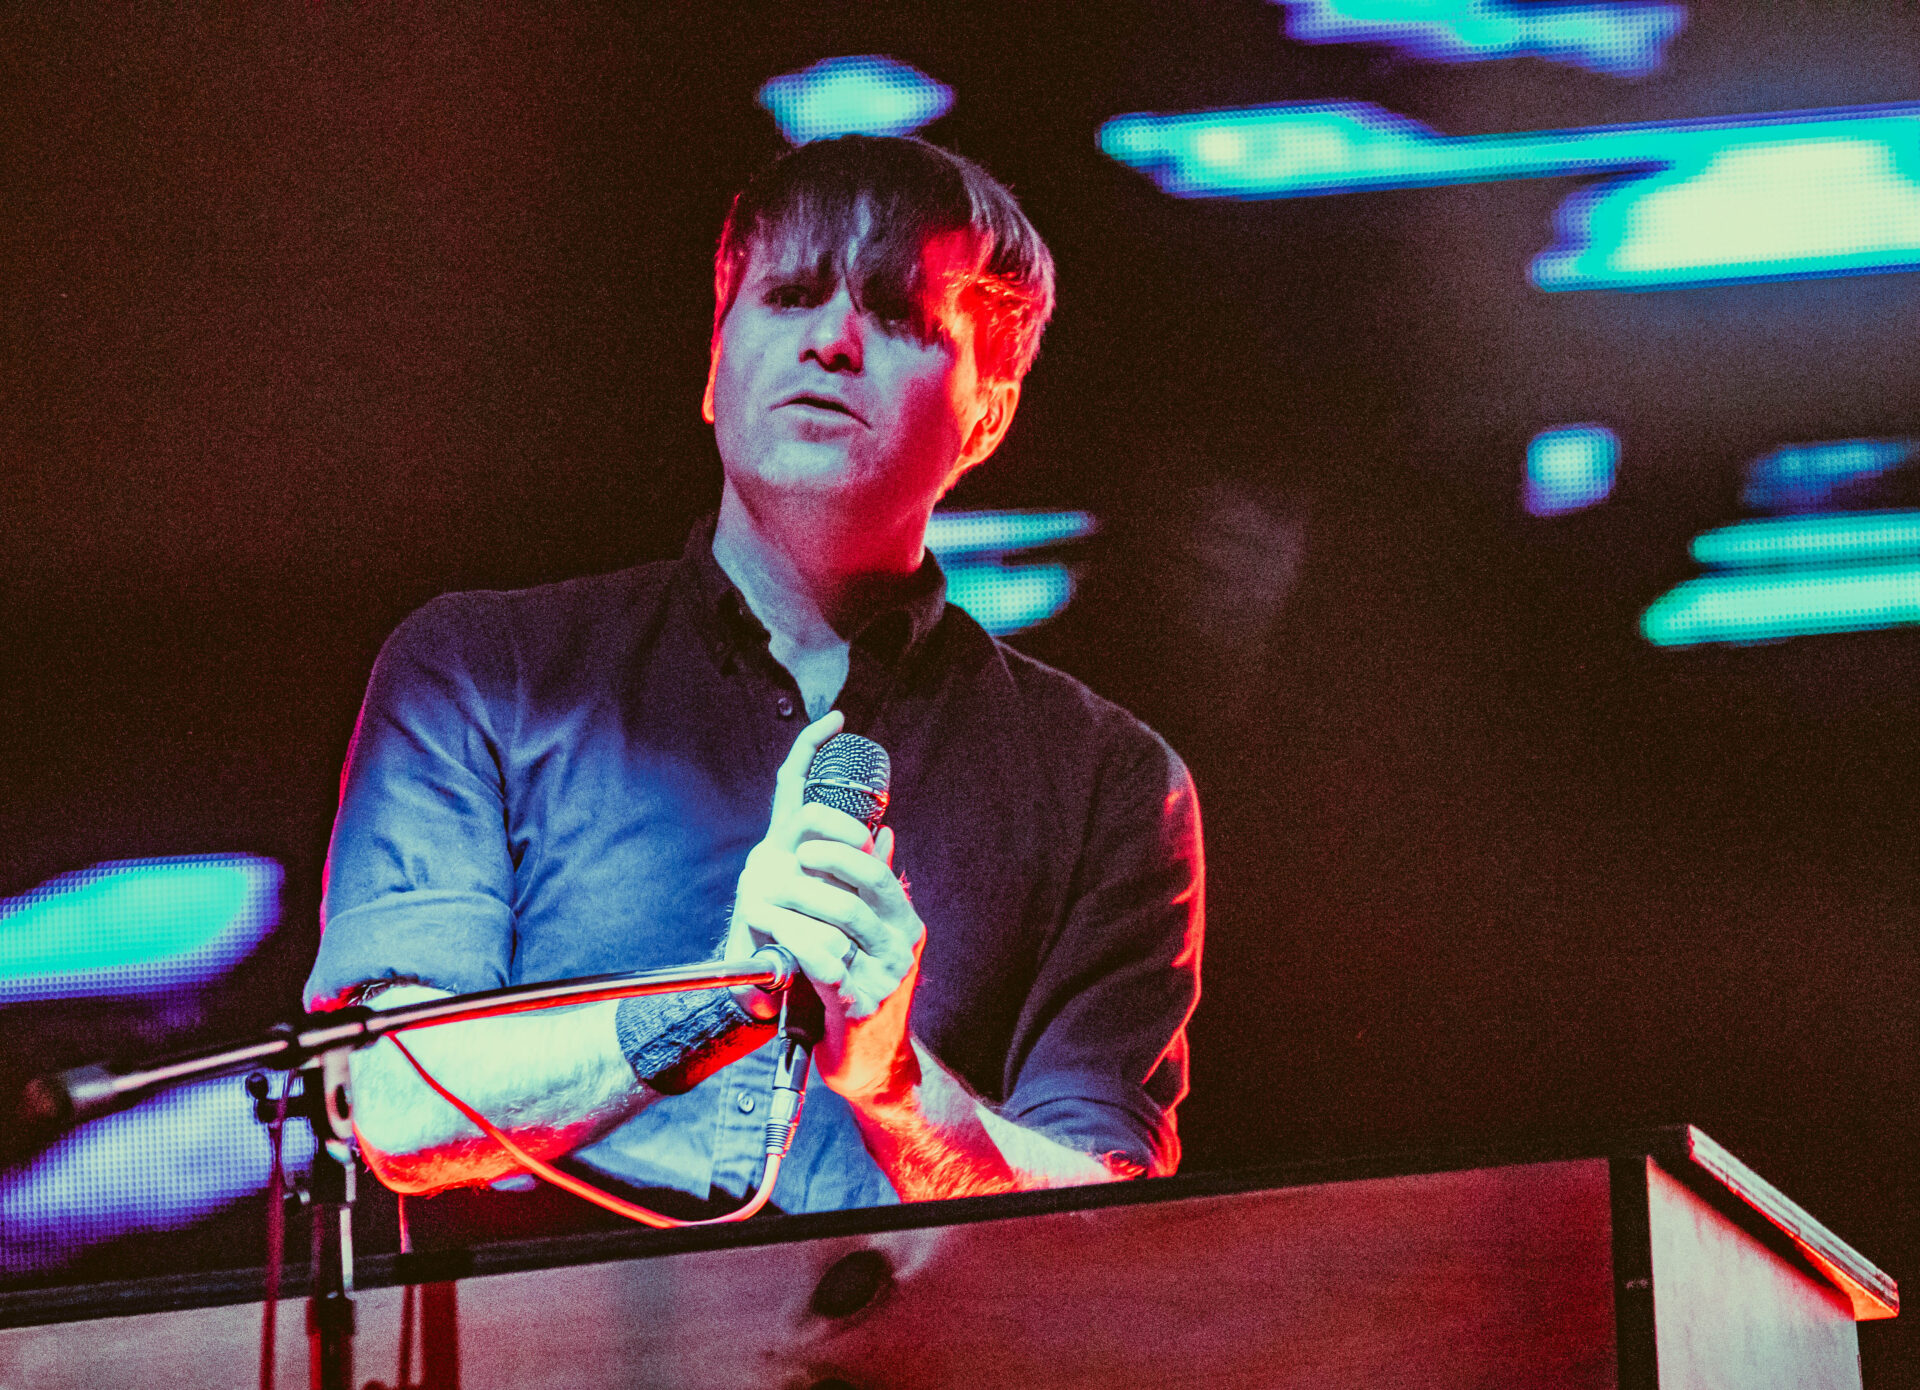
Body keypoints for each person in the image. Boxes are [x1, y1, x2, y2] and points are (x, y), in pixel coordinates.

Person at [304, 135, 1203, 1219]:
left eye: (899, 314)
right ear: (714, 366)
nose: (831, 341)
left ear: (988, 416)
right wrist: (711, 1003)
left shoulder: (1111, 785)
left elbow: (1113, 1225)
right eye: (789, 296)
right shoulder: (476, 671)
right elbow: (397, 1107)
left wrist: (898, 1091)